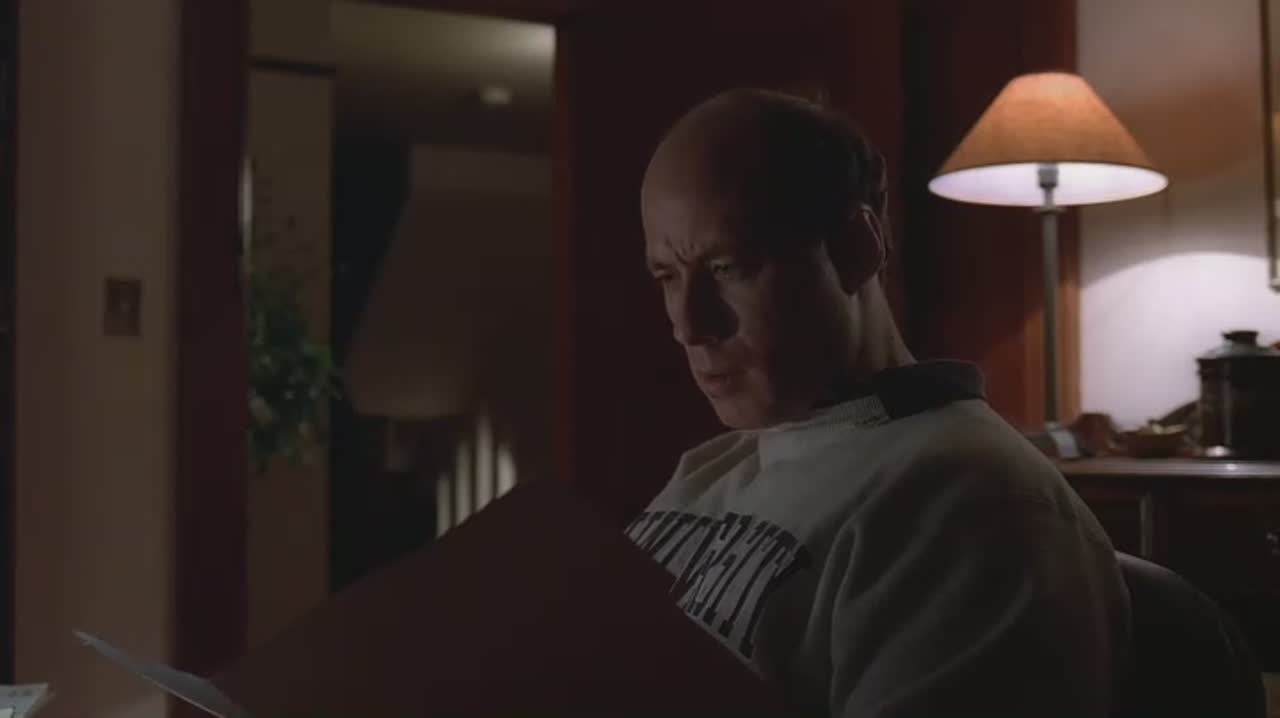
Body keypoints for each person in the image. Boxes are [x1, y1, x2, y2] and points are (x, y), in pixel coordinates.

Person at [625, 89, 1130, 717]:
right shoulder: (711, 469)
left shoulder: (974, 504)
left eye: (727, 268)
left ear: (857, 248)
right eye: (666, 276)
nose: (688, 325)